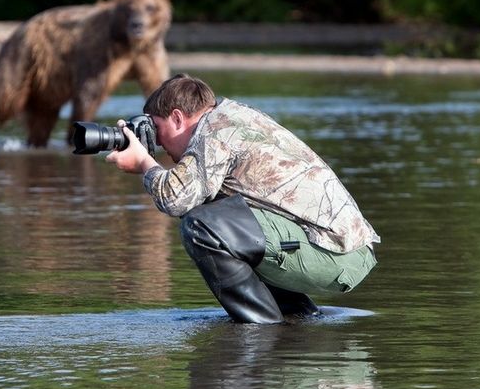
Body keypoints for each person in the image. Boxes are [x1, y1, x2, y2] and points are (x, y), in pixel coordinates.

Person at [106, 73, 380, 324]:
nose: (158, 142)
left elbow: (175, 199)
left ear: (177, 118)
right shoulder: (229, 117)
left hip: (336, 251)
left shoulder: (216, 131)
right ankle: (297, 319)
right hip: (341, 249)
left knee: (201, 226)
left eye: (156, 129)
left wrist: (144, 162)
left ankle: (262, 329)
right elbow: (191, 196)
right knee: (219, 218)